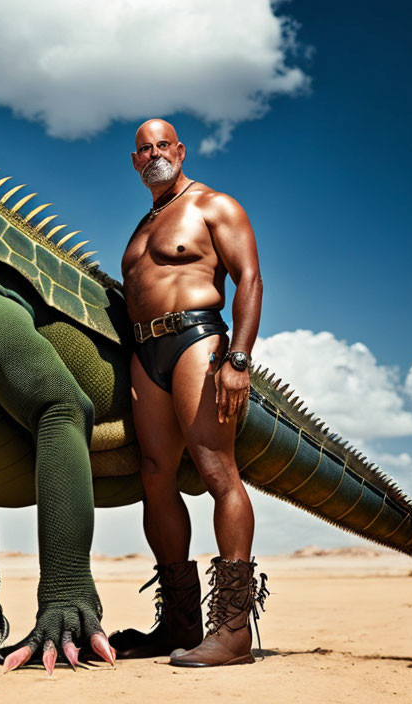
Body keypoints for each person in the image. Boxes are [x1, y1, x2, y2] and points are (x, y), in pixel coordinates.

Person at [111, 118, 266, 667]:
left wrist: (238, 360)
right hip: (144, 352)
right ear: (135, 162)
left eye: (162, 145)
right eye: (143, 148)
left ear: (179, 151)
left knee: (215, 469)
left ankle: (233, 630)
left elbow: (249, 277)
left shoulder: (213, 205)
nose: (154, 154)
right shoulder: (140, 228)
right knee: (155, 475)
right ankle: (177, 623)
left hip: (196, 338)